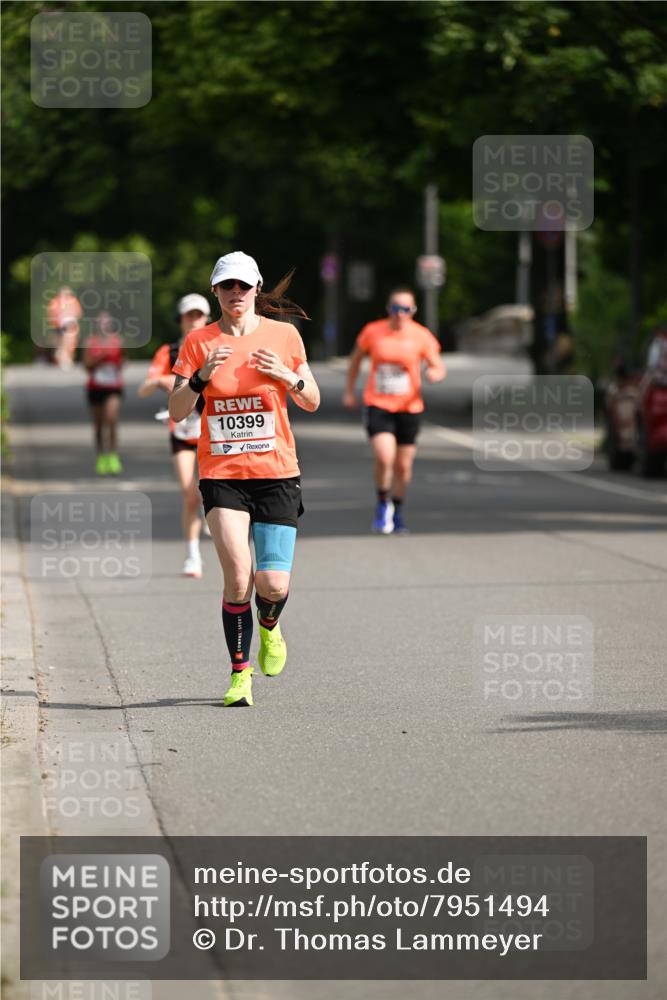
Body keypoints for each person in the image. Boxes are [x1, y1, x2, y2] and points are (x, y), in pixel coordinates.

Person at [169, 251, 320, 707]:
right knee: (238, 578)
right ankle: (239, 674)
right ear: (215, 291)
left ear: (256, 289)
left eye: (242, 285)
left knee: (272, 585)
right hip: (223, 475)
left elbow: (312, 399)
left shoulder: (284, 335)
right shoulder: (199, 341)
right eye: (226, 286)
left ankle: (270, 625)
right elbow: (177, 412)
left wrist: (287, 376)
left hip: (277, 473)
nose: (235, 293)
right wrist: (199, 379)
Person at [343, 286, 445, 533]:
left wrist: (434, 373)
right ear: (389, 308)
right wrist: (349, 390)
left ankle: (397, 509)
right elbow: (355, 359)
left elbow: (438, 365)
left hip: (409, 408)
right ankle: (382, 503)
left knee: (403, 467)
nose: (401, 314)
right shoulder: (373, 331)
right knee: (384, 457)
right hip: (378, 404)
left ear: (413, 310)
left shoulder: (421, 335)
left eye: (406, 309)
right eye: (397, 308)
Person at [139, 294, 212, 577]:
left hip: (213, 432)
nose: (194, 321)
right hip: (182, 432)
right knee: (189, 494)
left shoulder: (216, 348)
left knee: (212, 490)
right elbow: (143, 390)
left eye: (199, 315)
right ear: (180, 319)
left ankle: (210, 509)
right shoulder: (169, 353)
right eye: (188, 315)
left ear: (207, 318)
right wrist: (160, 380)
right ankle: (193, 556)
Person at [83, 311, 125, 475]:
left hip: (113, 386)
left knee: (111, 418)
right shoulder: (90, 342)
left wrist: (117, 364)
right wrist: (100, 358)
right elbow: (86, 365)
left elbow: (123, 361)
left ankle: (113, 455)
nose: (103, 325)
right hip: (95, 387)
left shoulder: (117, 341)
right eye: (100, 322)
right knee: (99, 425)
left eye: (106, 322)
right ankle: (101, 456)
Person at [46, 285, 82, 368]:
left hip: (70, 325)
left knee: (70, 343)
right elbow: (52, 314)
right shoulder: (56, 301)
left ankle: (66, 358)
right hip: (59, 326)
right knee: (61, 343)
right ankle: (62, 358)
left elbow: (78, 313)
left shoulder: (73, 301)